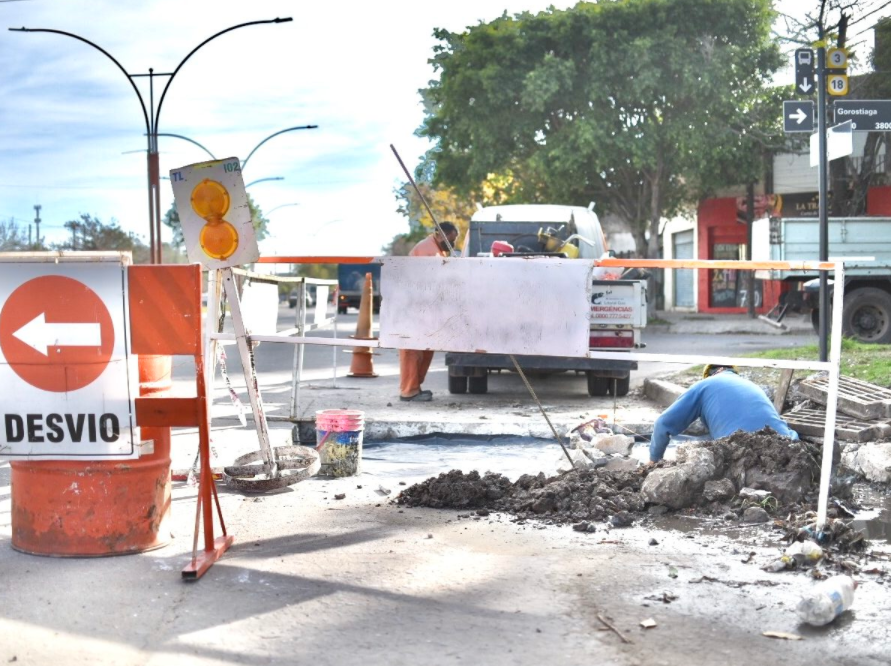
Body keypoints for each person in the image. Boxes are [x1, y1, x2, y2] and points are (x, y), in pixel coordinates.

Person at [649, 364, 799, 463]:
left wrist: (654, 460)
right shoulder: (750, 385)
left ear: (711, 374)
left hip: (742, 455)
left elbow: (662, 424)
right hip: (789, 447)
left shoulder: (704, 385)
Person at [399, 222, 460, 402]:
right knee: (413, 351)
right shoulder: (428, 250)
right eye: (450, 239)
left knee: (425, 350)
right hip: (414, 309)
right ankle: (409, 391)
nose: (452, 244)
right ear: (440, 235)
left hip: (422, 310)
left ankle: (415, 387)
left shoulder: (436, 249)